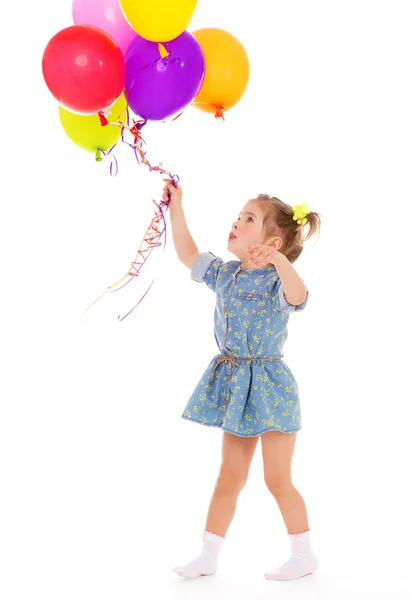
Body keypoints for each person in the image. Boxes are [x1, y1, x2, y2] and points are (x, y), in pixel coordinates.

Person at [162, 179, 321, 582]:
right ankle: (207, 554)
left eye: (247, 218)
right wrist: (176, 208)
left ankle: (303, 553)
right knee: (229, 476)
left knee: (276, 478)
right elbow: (189, 255)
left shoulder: (276, 281)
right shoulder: (226, 274)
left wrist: (280, 262)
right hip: (235, 383)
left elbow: (298, 295)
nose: (235, 222)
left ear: (273, 242)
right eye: (238, 215)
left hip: (269, 385)